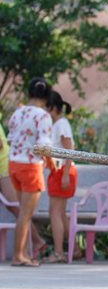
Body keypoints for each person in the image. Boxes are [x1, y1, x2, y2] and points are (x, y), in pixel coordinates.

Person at [7, 78, 53, 267]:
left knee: (22, 213)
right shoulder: (43, 116)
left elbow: (11, 138)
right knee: (26, 214)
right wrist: (51, 163)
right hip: (30, 166)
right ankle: (18, 256)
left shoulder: (18, 113)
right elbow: (43, 145)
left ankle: (23, 254)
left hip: (14, 164)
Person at [44, 91, 77, 264]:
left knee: (54, 212)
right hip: (60, 171)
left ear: (53, 108)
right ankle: (75, 250)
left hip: (62, 170)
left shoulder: (61, 124)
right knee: (60, 213)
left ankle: (58, 252)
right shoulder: (59, 124)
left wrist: (65, 174)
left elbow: (68, 150)